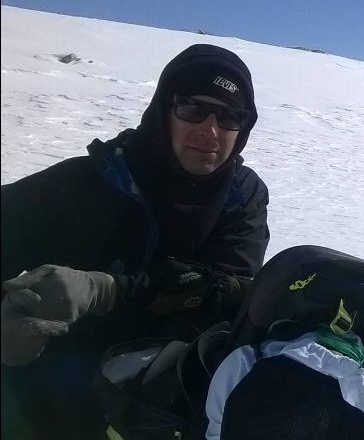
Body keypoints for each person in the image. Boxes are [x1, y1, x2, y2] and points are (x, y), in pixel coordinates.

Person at [0, 44, 270, 439]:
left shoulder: (241, 197)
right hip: (49, 399)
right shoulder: (88, 183)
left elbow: (225, 292)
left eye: (229, 116)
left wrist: (106, 291)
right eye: (193, 108)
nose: (210, 130)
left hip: (167, 406)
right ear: (164, 110)